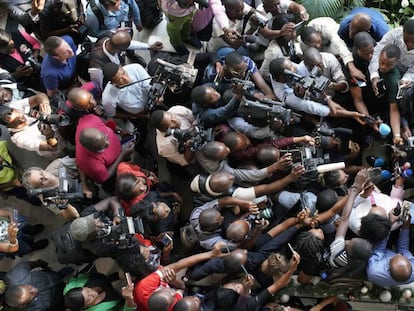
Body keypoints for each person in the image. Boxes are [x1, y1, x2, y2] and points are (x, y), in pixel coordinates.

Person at [75, 114, 134, 188]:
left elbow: (101, 121)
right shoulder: (91, 164)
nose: (108, 144)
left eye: (105, 137)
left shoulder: (90, 120)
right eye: (102, 147)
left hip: (121, 150)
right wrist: (122, 155)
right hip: (112, 170)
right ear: (91, 149)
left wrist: (118, 130)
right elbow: (105, 177)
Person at [89, 31, 162, 89]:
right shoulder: (96, 66)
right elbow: (98, 85)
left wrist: (149, 47)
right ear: (121, 50)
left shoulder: (112, 37)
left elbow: (127, 44)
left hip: (120, 69)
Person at [299, 18, 365, 82]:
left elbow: (340, 46)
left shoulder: (327, 29)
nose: (318, 46)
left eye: (318, 41)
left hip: (335, 40)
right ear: (306, 44)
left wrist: (352, 68)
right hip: (325, 56)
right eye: (314, 45)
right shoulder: (303, 45)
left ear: (319, 33)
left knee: (344, 54)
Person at [367, 206, 414, 286]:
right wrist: (406, 226)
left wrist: (389, 223)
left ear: (387, 268)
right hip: (390, 251)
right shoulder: (412, 269)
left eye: (395, 257)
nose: (399, 254)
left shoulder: (375, 270)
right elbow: (403, 249)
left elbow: (379, 249)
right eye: (402, 256)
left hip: (380, 252)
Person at [0, 106, 66, 159]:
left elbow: (41, 97)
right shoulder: (19, 139)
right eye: (8, 118)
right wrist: (49, 135)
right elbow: (52, 147)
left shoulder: (21, 109)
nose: (20, 117)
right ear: (8, 126)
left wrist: (44, 105)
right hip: (59, 149)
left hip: (62, 129)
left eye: (12, 111)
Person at [368, 19, 414, 88]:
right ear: (403, 32)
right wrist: (374, 75)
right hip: (386, 66)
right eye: (406, 40)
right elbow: (377, 52)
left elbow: (412, 70)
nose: (409, 44)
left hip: (405, 73)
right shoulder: (395, 34)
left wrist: (406, 79)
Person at [64, 272, 136, 310]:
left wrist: (118, 275)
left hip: (104, 279)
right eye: (89, 299)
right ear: (85, 307)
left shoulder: (72, 286)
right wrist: (128, 299)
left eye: (87, 290)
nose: (92, 293)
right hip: (117, 298)